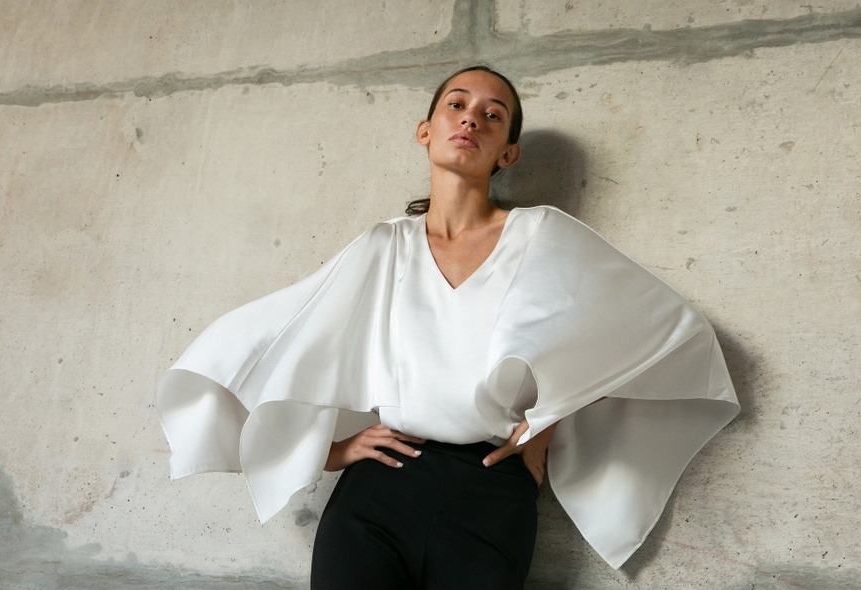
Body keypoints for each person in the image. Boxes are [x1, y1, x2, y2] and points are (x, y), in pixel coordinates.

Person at [157, 66, 740, 589]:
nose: (471, 119)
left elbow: (657, 332)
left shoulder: (540, 236)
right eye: (456, 106)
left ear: (507, 153)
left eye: (493, 115)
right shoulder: (384, 247)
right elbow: (270, 340)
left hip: (492, 490)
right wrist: (332, 452)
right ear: (425, 131)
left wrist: (548, 421)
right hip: (378, 492)